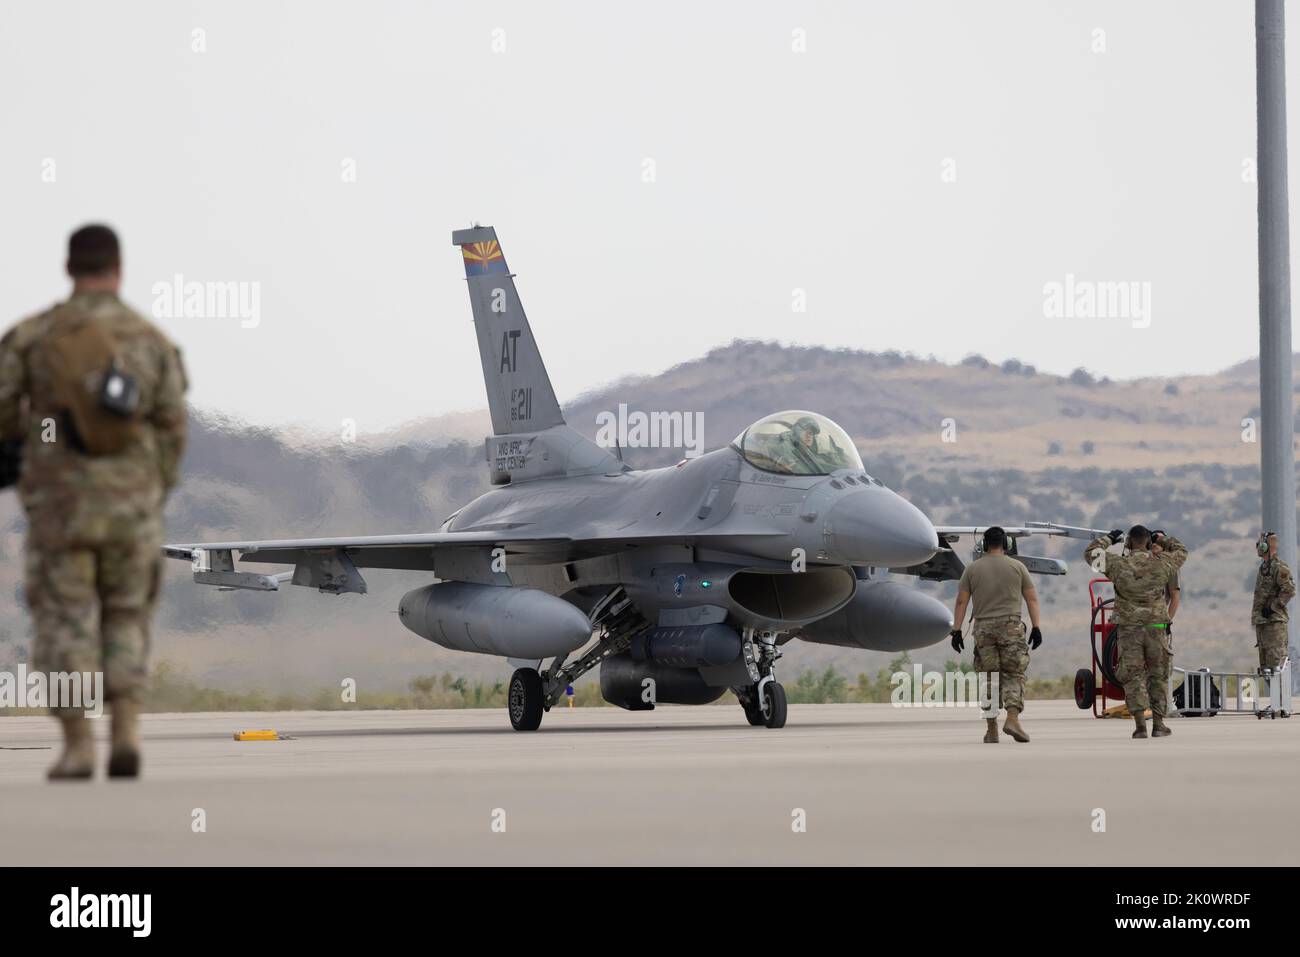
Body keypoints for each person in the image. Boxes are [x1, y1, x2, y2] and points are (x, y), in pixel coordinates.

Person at [0, 224, 188, 780]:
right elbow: (173, 429)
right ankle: (126, 732)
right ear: (118, 269)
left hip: (61, 511)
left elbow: (4, 416)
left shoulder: (34, 336)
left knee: (64, 623)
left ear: (69, 268)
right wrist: (151, 489)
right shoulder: (150, 340)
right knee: (127, 617)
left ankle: (79, 745)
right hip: (131, 510)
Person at [1084, 526, 1186, 739]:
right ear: (1149, 543)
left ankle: (1140, 726)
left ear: (1129, 543)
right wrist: (1163, 539)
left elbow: (1090, 553)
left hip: (1129, 629)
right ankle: (1158, 725)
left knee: (1133, 676)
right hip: (1156, 628)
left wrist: (1109, 539)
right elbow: (1181, 552)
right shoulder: (1163, 563)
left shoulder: (1118, 565)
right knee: (1157, 676)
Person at [949, 526, 1042, 743]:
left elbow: (962, 601)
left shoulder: (972, 569)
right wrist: (1036, 627)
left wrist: (956, 631)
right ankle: (1012, 718)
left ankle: (991, 730)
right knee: (1014, 673)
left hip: (984, 629)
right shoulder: (1018, 567)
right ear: (1006, 544)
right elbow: (1032, 599)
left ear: (983, 544)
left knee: (988, 677)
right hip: (1011, 626)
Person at [1251, 531, 1294, 673]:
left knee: (1277, 668)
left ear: (1265, 546)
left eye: (1259, 544)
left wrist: (1273, 607)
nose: (1257, 547)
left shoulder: (1279, 566)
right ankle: (1276, 696)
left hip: (1274, 624)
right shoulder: (1264, 567)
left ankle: (1282, 696)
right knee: (1266, 670)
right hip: (1263, 624)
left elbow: (1289, 589)